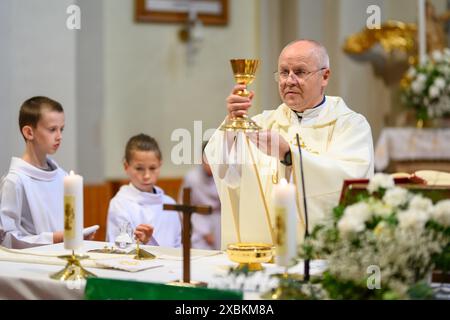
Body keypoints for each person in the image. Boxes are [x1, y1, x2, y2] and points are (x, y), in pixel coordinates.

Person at [205, 39, 374, 249]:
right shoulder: (262, 124)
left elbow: (350, 181)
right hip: (264, 256)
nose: (289, 80)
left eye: (300, 72)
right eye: (284, 72)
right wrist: (232, 120)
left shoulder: (350, 125)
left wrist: (289, 155)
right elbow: (225, 171)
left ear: (325, 76)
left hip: (321, 258)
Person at [0, 96, 68, 248]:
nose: (59, 136)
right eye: (52, 129)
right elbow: (7, 238)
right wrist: (52, 238)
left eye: (61, 129)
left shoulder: (62, 176)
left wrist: (76, 236)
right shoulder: (15, 180)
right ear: (29, 133)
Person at [106, 134, 181, 248]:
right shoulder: (120, 204)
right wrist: (144, 243)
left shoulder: (169, 204)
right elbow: (120, 250)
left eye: (152, 168)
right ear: (126, 167)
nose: (146, 176)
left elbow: (177, 248)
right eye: (139, 168)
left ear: (160, 165)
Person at [179, 142, 221, 250]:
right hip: (198, 219)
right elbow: (184, 207)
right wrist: (204, 231)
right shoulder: (191, 178)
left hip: (220, 220)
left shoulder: (224, 176)